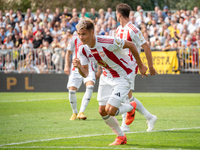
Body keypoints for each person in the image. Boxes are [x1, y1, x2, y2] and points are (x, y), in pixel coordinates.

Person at [73, 18, 148, 145]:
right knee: (102, 111)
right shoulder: (82, 49)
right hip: (106, 76)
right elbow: (85, 74)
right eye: (79, 34)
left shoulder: (107, 41)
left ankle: (131, 106)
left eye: (84, 34)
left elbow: (131, 45)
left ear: (92, 33)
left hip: (124, 75)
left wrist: (140, 65)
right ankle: (121, 137)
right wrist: (79, 67)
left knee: (111, 110)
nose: (81, 37)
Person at [115, 3, 158, 132]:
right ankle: (150, 117)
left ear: (119, 15)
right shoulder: (118, 30)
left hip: (130, 66)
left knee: (122, 94)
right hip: (120, 66)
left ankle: (125, 126)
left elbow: (146, 46)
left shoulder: (133, 30)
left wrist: (150, 66)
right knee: (127, 96)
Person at [64, 32, 101, 120]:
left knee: (90, 86)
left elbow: (98, 53)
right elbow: (68, 52)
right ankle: (74, 112)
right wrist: (66, 65)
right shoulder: (74, 37)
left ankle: (81, 112)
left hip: (90, 67)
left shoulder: (93, 37)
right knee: (72, 91)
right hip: (76, 67)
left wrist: (99, 69)